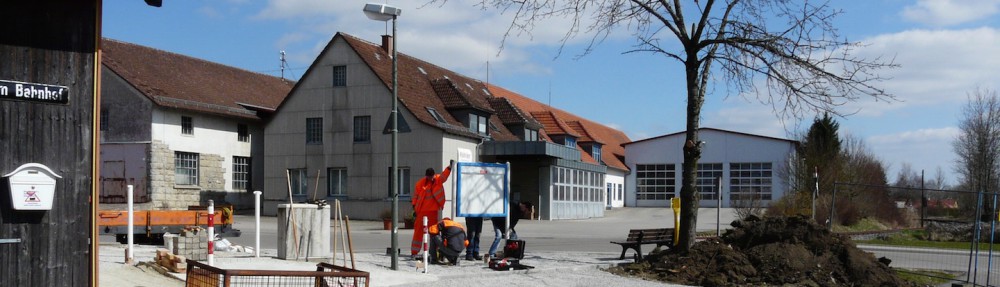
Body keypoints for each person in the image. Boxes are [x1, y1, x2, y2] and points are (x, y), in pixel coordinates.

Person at [410, 160, 454, 258]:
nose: (430, 178)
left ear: (433, 175)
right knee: (418, 232)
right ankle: (414, 252)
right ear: (426, 176)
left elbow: (444, 175)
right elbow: (415, 196)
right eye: (428, 177)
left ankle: (433, 252)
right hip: (421, 211)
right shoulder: (420, 184)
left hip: (433, 211)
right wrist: (414, 207)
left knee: (433, 232)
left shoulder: (438, 179)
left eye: (431, 176)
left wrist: (449, 167)